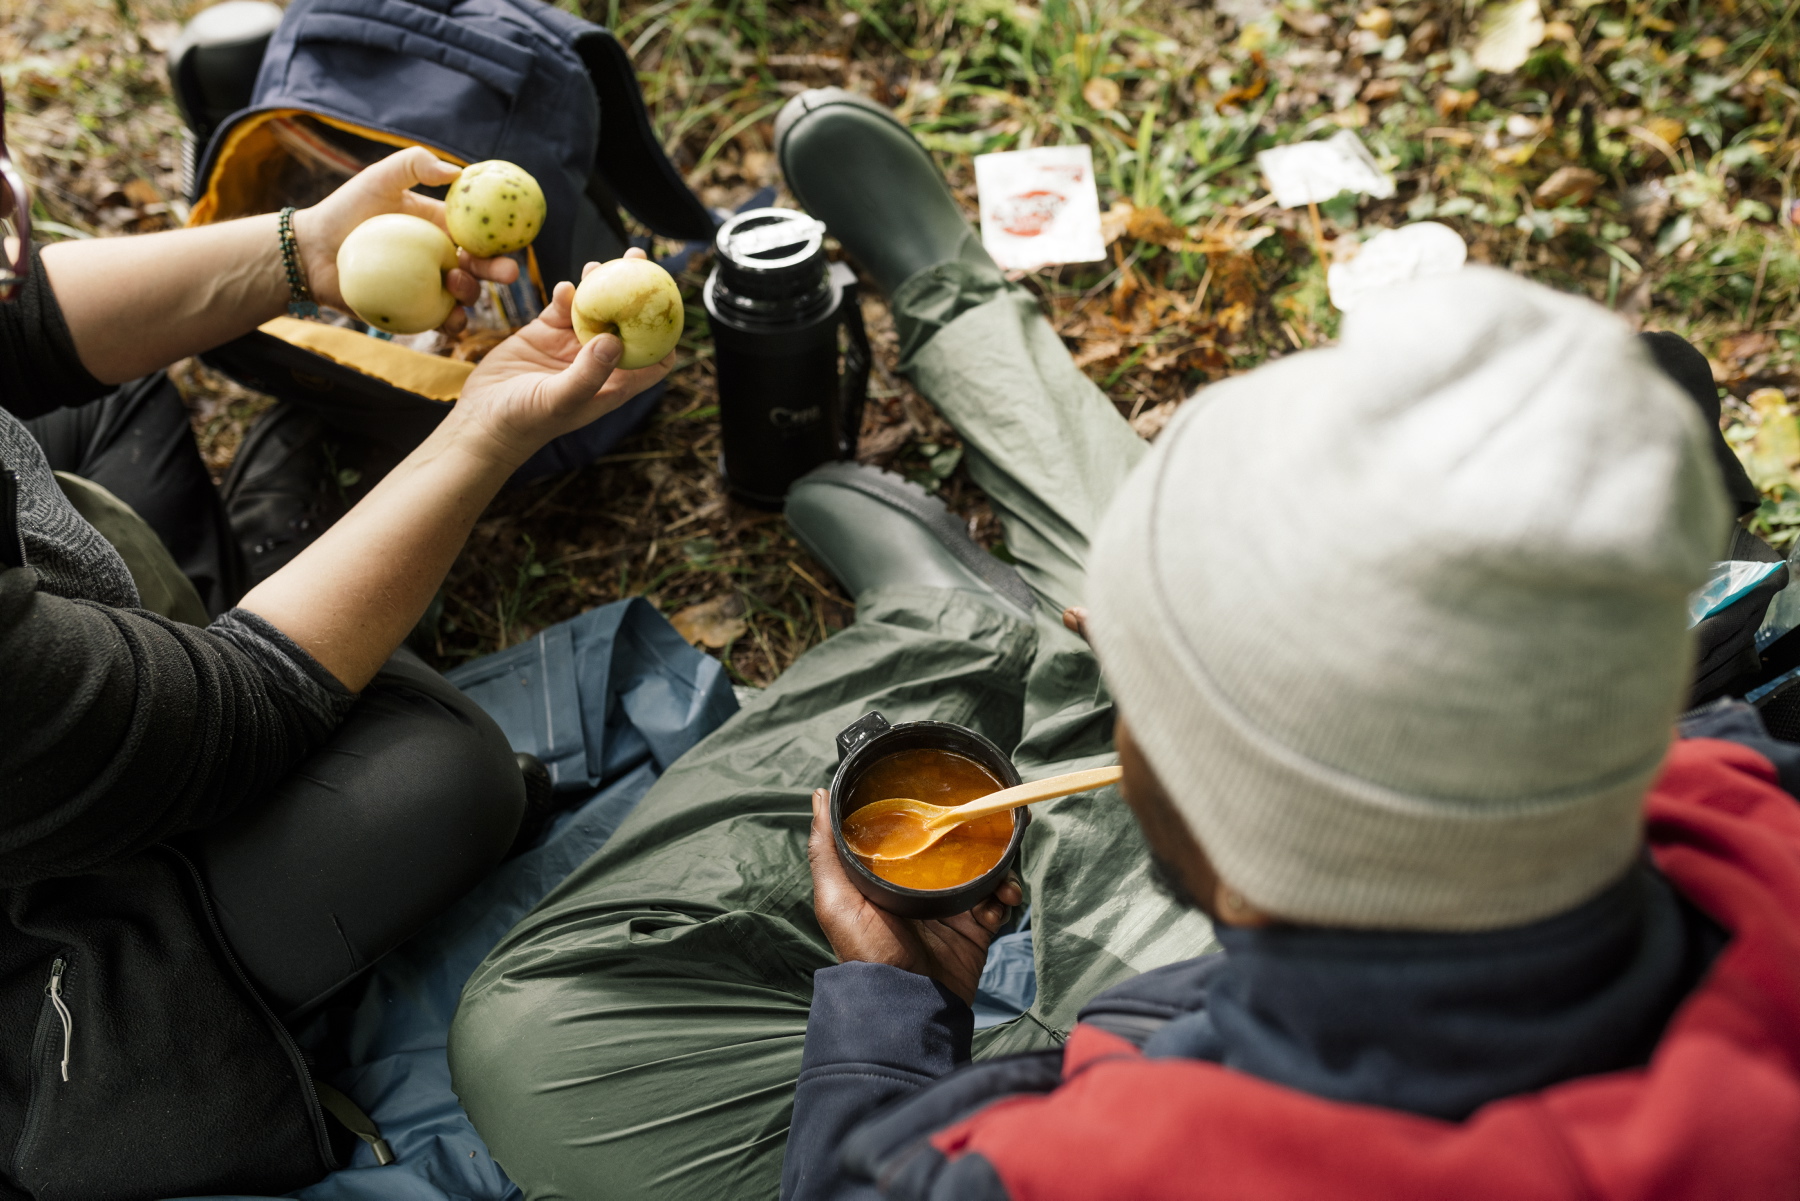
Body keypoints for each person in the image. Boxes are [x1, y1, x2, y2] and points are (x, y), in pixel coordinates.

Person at [448, 88, 1800, 1200]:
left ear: (1220, 840)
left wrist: (884, 1007)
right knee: (1228, 569)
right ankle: (962, 341)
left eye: (1145, 681)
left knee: (532, 1032)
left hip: (1143, 1033)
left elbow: (877, 1182)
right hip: (1299, 973)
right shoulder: (1738, 810)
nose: (1120, 656)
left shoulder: (1117, 1168)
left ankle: (951, 613)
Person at [0, 72, 671, 1200]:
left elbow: (22, 336)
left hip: (58, 703)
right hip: (52, 906)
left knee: (110, 402)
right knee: (445, 777)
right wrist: (479, 437)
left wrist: (301, 249)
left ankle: (276, 575)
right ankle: (286, 573)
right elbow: (223, 717)